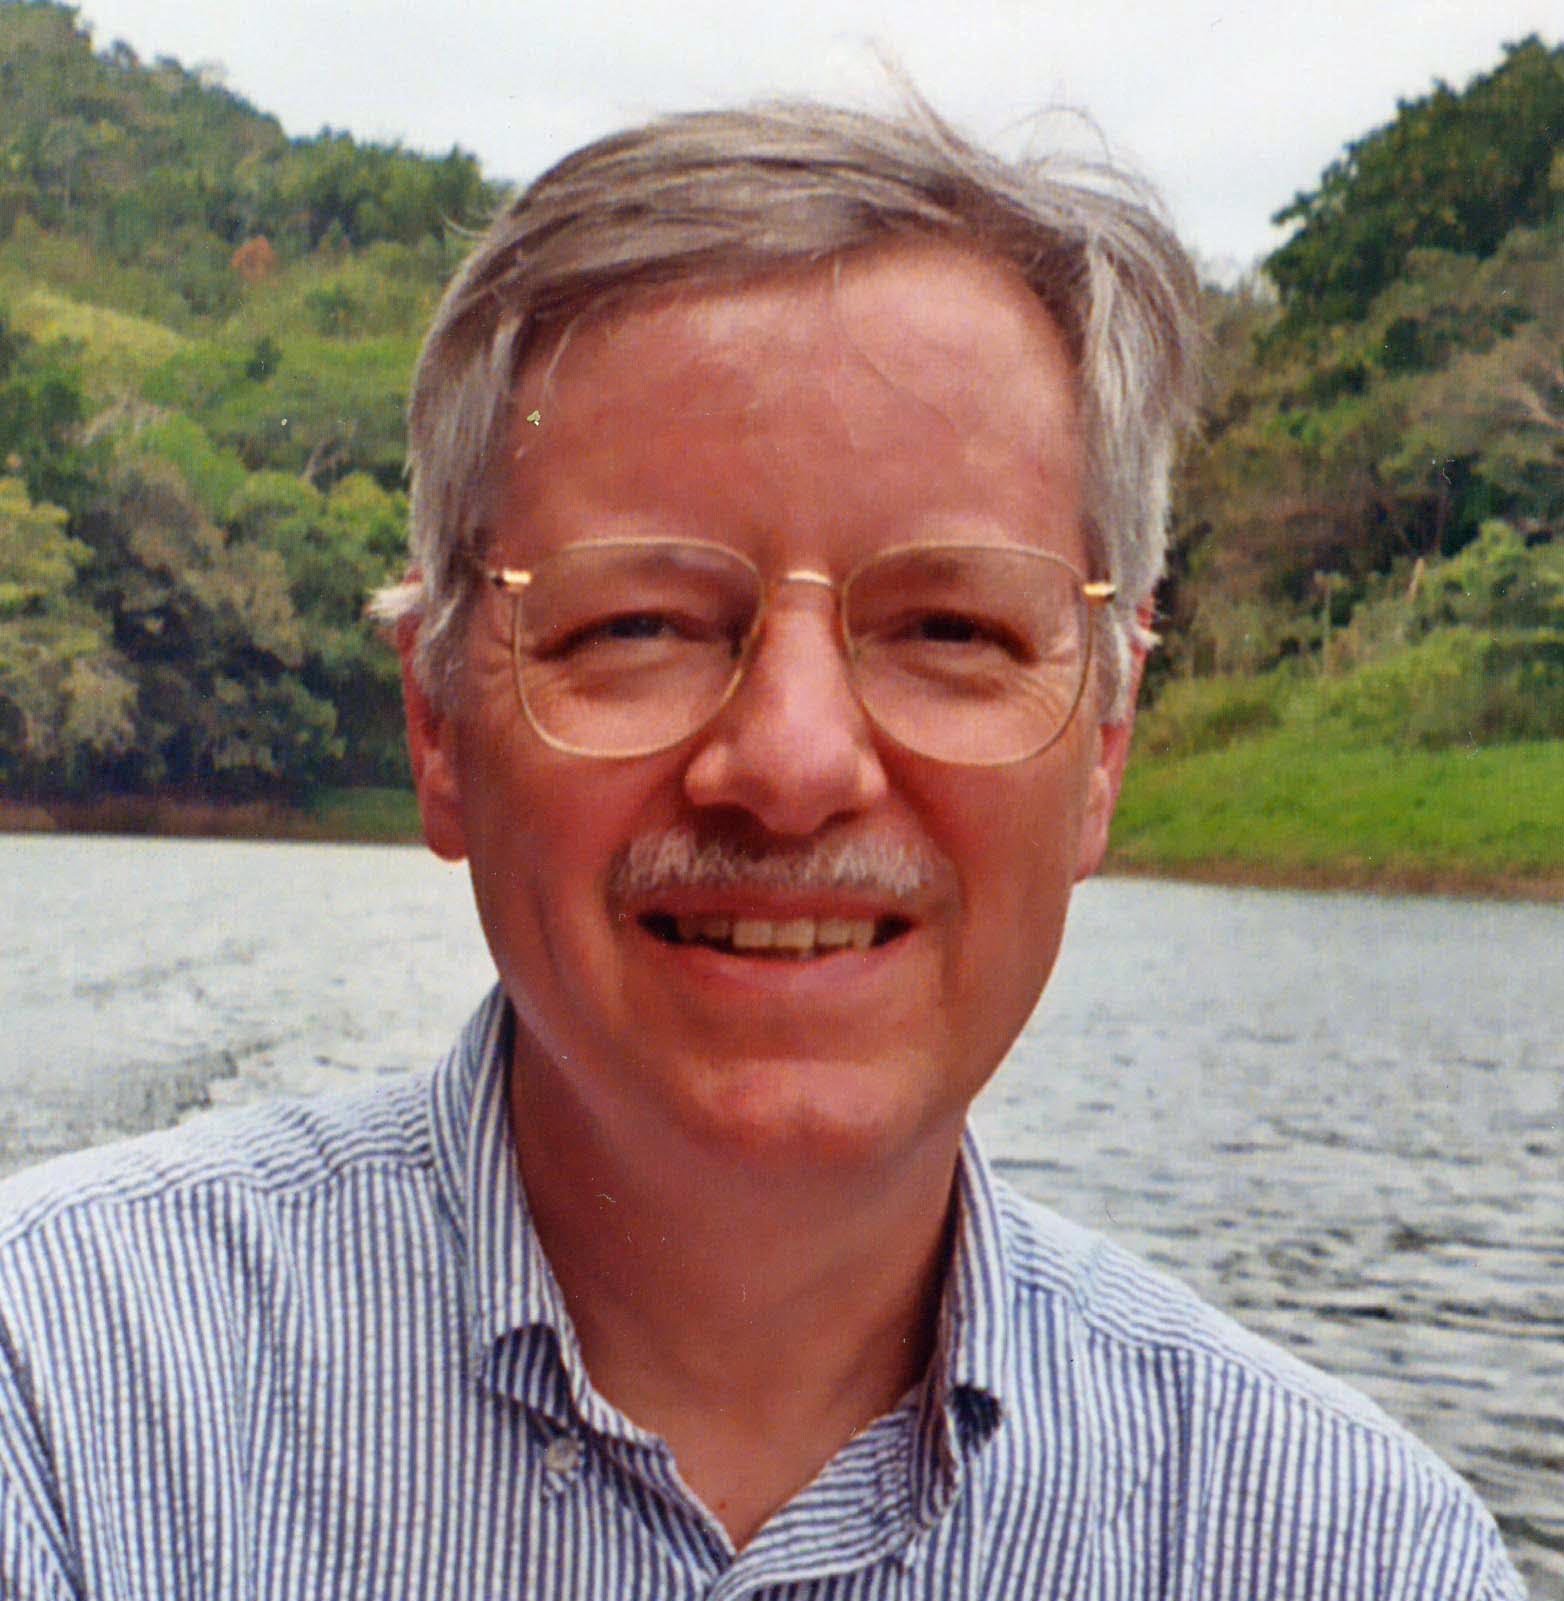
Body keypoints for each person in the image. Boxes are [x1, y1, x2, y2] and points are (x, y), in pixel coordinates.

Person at [0, 99, 1526, 1599]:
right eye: (640, 623)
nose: (791, 766)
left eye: (950, 628)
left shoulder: (1344, 1548)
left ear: (1106, 746)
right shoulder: (62, 1401)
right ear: (438, 725)